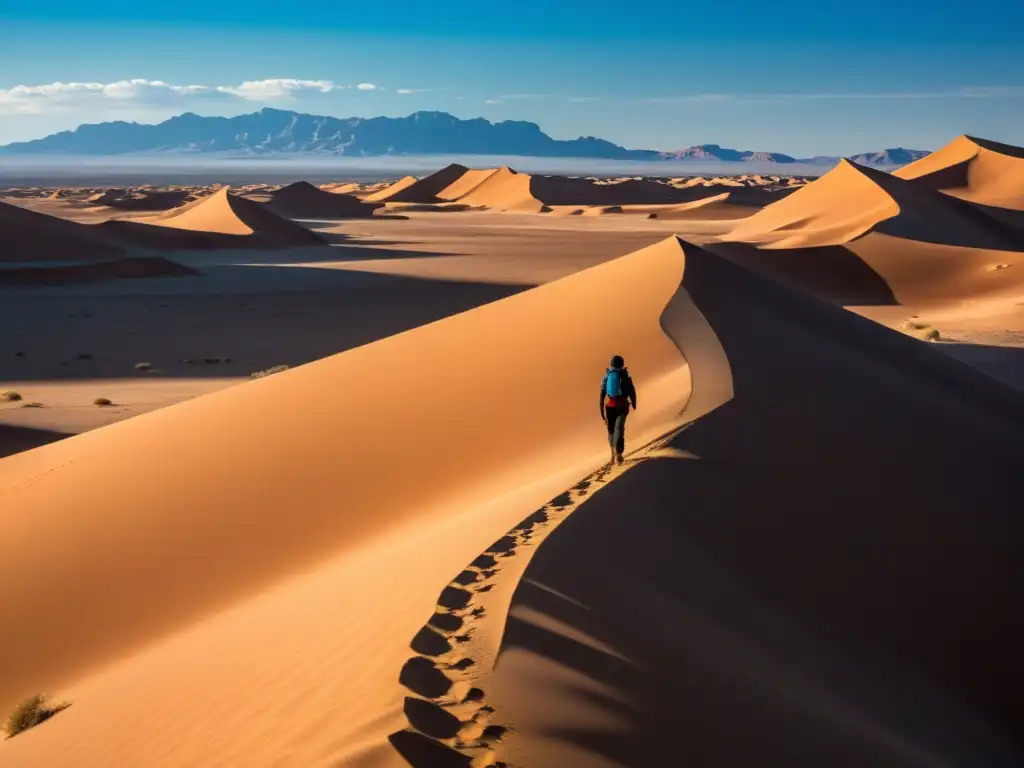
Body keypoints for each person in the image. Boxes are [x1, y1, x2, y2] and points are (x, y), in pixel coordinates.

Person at [600, 355, 637, 465]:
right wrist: (634, 404)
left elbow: (602, 395)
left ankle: (613, 452)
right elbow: (632, 391)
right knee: (619, 429)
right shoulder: (625, 375)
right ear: (621, 364)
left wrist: (601, 410)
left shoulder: (606, 376)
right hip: (622, 406)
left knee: (611, 430)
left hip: (610, 406)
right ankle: (618, 454)